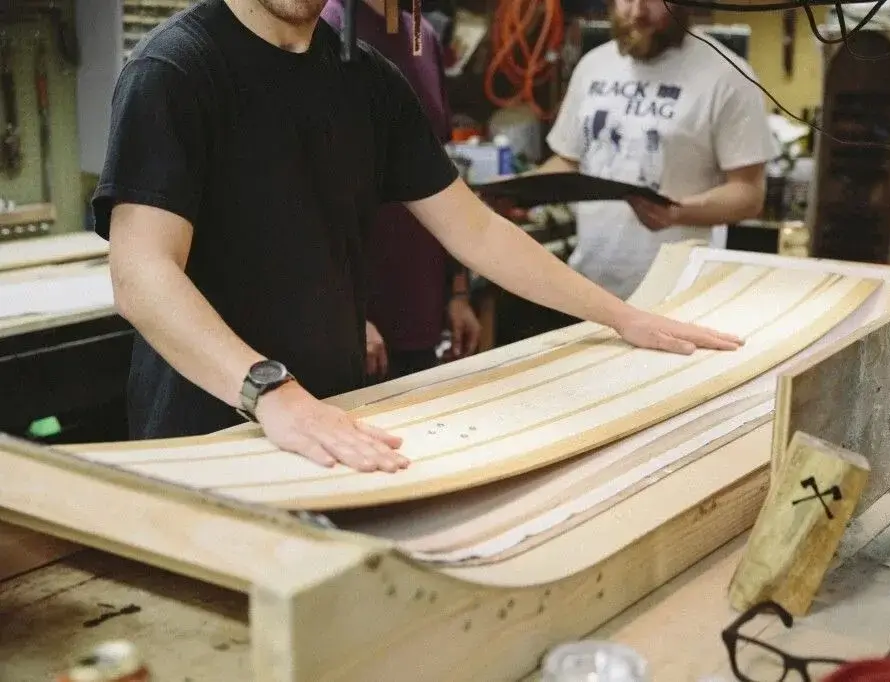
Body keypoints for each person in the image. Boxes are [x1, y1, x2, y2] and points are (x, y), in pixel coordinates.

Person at [93, 0, 743, 475]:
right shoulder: (175, 71)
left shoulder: (366, 81)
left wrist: (622, 316)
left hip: (338, 421)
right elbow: (141, 276)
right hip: (210, 430)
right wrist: (272, 394)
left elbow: (476, 231)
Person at [527, 0, 778, 300]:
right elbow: (569, 161)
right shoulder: (593, 66)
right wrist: (515, 193)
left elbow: (749, 194)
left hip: (678, 293)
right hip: (590, 289)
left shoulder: (728, 76)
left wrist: (677, 213)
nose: (637, 12)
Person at [321, 0, 481, 381]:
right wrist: (345, 315)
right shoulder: (327, 25)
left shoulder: (422, 35)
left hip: (421, 310)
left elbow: (442, 172)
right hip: (358, 328)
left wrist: (458, 291)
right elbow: (308, 193)